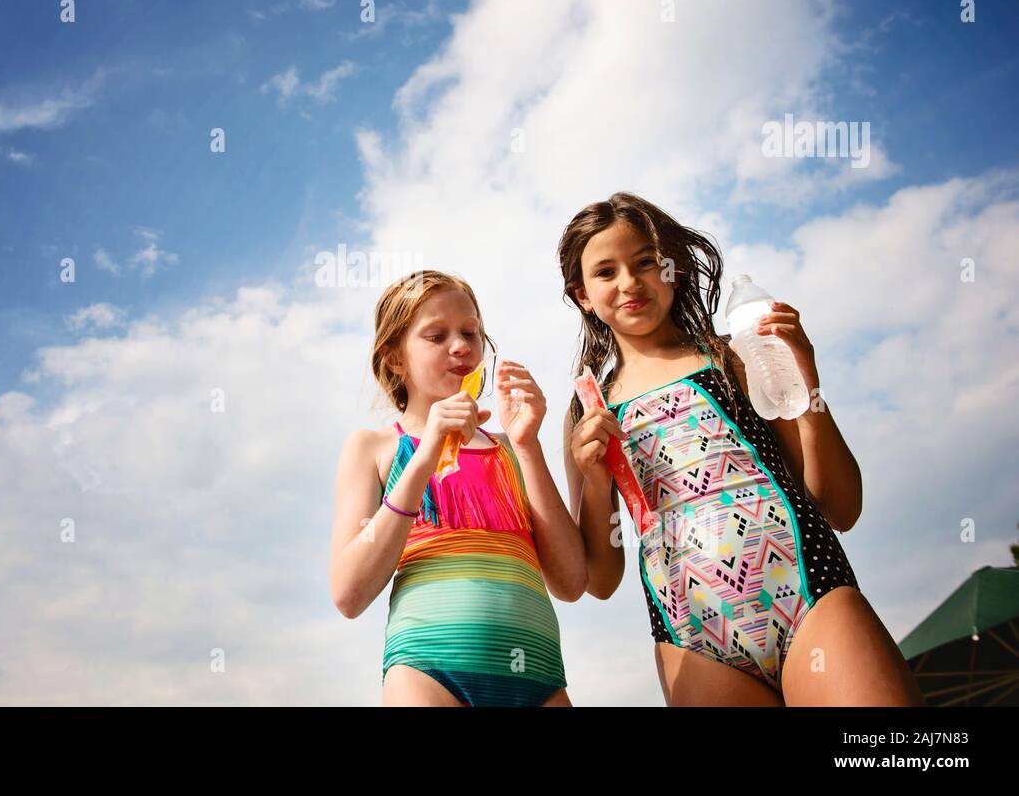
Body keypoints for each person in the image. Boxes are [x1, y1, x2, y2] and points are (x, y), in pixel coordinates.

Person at [557, 192, 923, 705]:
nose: (629, 283)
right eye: (606, 272)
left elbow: (842, 507)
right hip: (691, 637)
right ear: (582, 296)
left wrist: (807, 386)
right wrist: (596, 483)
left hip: (809, 591)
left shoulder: (735, 357)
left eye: (645, 262)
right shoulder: (589, 410)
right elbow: (600, 578)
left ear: (673, 270)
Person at [330, 270, 586, 705]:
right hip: (428, 675)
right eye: (436, 335)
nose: (462, 346)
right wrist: (424, 458)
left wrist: (528, 445)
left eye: (470, 332)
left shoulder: (511, 448)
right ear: (394, 358)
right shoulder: (375, 447)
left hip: (539, 678)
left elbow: (571, 581)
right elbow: (348, 593)